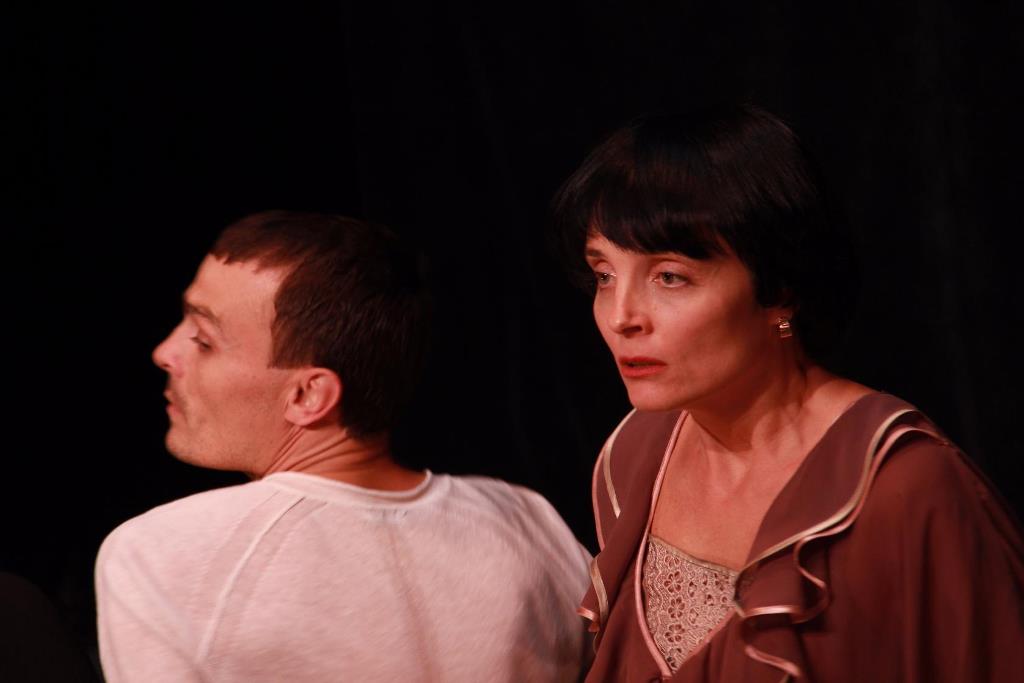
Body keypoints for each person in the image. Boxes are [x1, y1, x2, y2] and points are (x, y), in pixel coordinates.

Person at [553, 104, 1024, 682]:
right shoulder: (635, 455)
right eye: (604, 275)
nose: (620, 316)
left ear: (780, 291)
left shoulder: (905, 486)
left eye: (669, 276)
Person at [95, 211, 592, 682]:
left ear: (308, 395)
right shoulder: (529, 523)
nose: (165, 352)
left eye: (204, 340)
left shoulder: (160, 554)